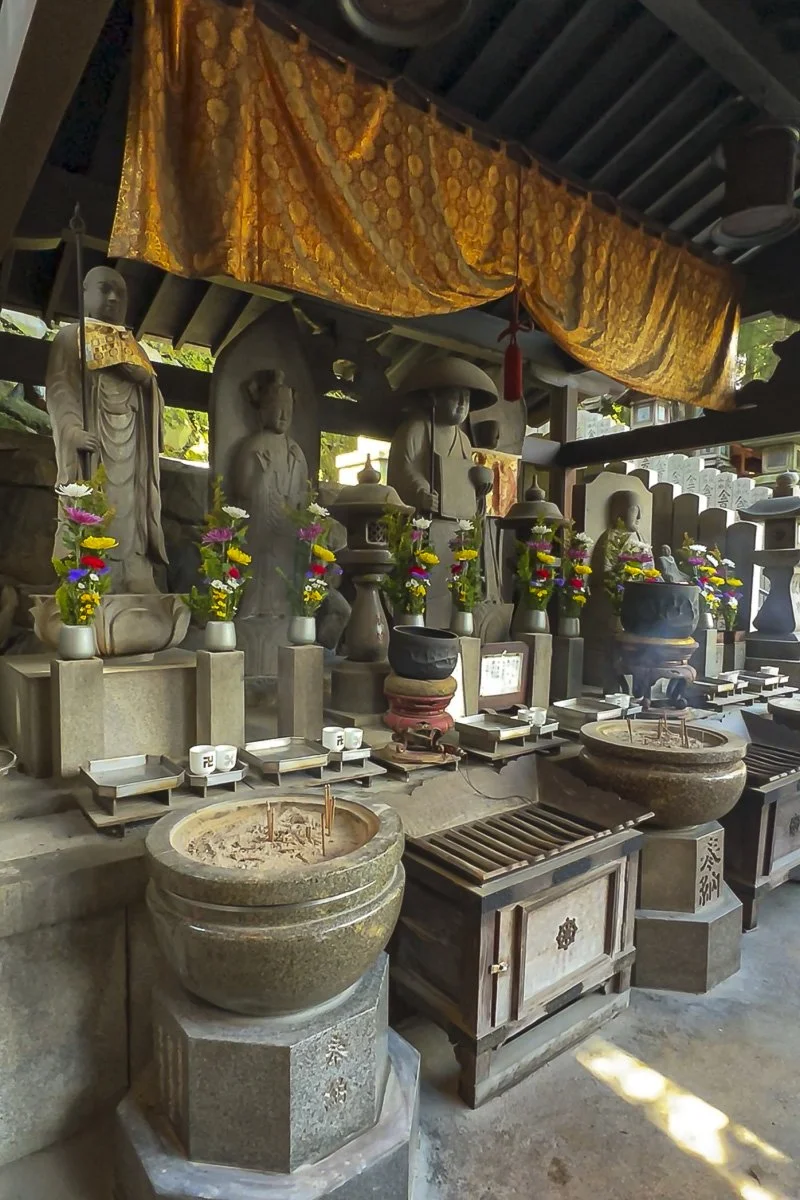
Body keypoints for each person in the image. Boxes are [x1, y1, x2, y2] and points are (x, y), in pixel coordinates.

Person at [46, 265, 167, 593]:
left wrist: (145, 381)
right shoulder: (72, 337)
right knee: (94, 503)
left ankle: (135, 567)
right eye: (104, 288)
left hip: (132, 446)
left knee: (132, 504)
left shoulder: (134, 348)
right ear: (84, 295)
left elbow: (151, 394)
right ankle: (87, 577)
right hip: (93, 442)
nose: (113, 297)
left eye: (120, 292)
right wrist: (71, 430)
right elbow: (60, 389)